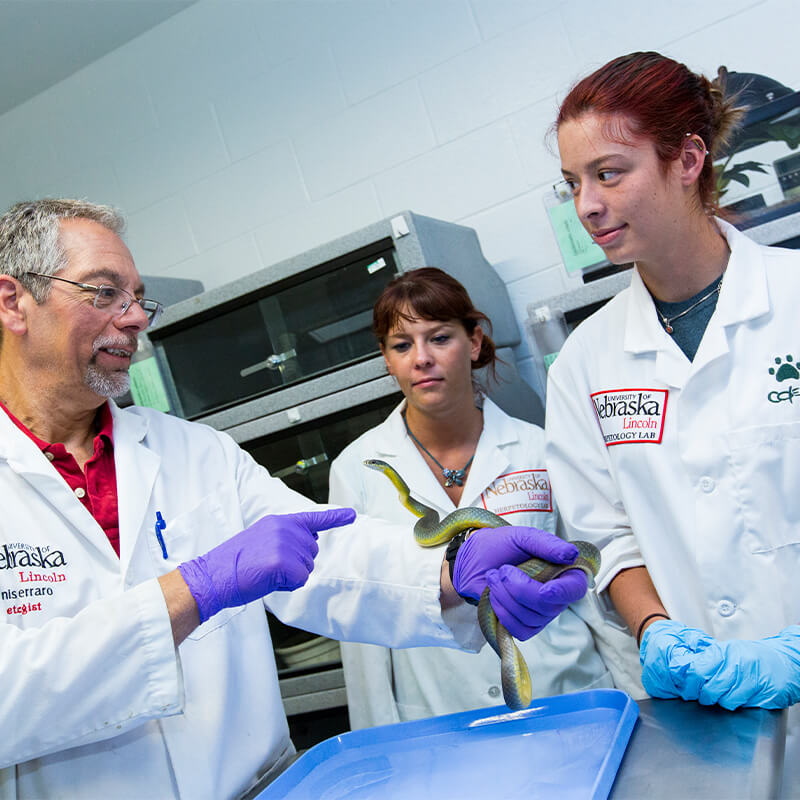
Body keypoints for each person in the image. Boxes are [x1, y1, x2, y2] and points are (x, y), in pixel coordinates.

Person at [0, 199, 592, 799]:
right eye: (104, 294)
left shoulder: (196, 454)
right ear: (12, 301)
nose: (134, 319)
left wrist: (450, 572)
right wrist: (191, 592)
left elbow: (329, 551)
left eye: (138, 299)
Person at [544, 51, 800, 794]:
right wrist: (656, 633)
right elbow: (606, 537)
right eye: (572, 183)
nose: (586, 205)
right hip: (707, 725)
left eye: (609, 172)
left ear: (688, 158)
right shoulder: (586, 364)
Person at [329, 267, 622, 729]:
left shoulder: (539, 447)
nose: (421, 358)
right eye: (401, 345)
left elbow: (594, 584)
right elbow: (360, 620)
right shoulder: (356, 469)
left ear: (475, 342)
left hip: (567, 693)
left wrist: (640, 701)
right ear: (387, 360)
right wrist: (378, 742)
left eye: (439, 337)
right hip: (441, 715)